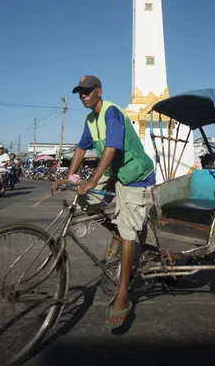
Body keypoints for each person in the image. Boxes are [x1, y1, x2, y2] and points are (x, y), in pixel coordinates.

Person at [52, 75, 155, 329]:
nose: (83, 96)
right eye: (80, 93)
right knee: (83, 199)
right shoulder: (91, 120)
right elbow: (80, 148)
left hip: (135, 176)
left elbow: (111, 148)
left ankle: (123, 293)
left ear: (99, 91)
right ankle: (116, 233)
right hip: (114, 174)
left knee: (129, 231)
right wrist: (69, 178)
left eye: (87, 91)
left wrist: (91, 180)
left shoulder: (112, 113)